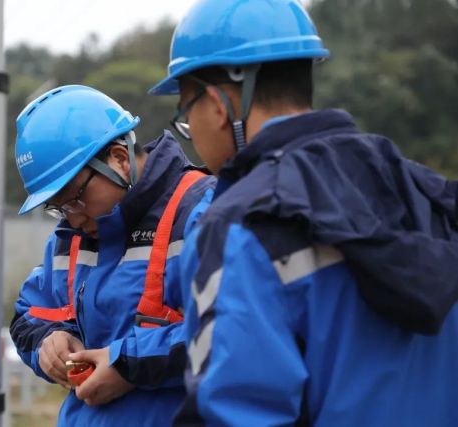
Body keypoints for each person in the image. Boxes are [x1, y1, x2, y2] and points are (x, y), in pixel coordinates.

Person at [149, 0, 458, 425]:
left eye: (186, 112)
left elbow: (235, 413)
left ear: (220, 105)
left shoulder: (241, 225)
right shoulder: (424, 191)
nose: (189, 132)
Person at [9, 85, 215, 426]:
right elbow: (28, 314)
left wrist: (128, 365)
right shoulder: (69, 238)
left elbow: (230, 330)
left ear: (119, 159)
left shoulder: (200, 213)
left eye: (74, 197)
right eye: (56, 207)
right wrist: (48, 342)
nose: (71, 216)